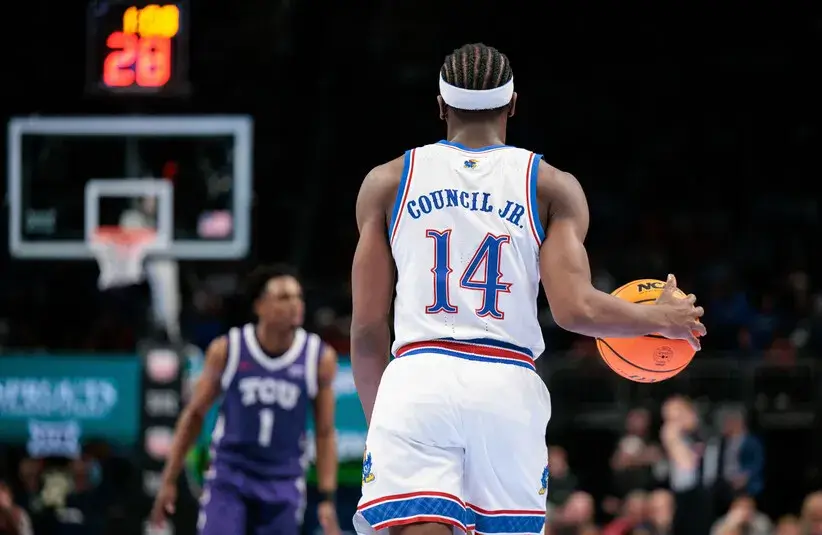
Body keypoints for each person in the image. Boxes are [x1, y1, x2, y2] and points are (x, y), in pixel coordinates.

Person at [350, 42, 706, 535]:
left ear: (439, 105)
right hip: (507, 382)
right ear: (514, 103)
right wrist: (659, 318)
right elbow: (574, 309)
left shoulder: (387, 181)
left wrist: (383, 426)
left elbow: (367, 330)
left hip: (417, 378)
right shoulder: (551, 185)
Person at [150, 264, 341, 535]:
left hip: (283, 481)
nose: (295, 304)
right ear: (260, 306)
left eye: (298, 297)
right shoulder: (228, 349)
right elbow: (194, 415)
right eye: (284, 297)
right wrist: (168, 480)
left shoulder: (318, 357)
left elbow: (324, 432)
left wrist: (327, 499)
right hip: (231, 477)